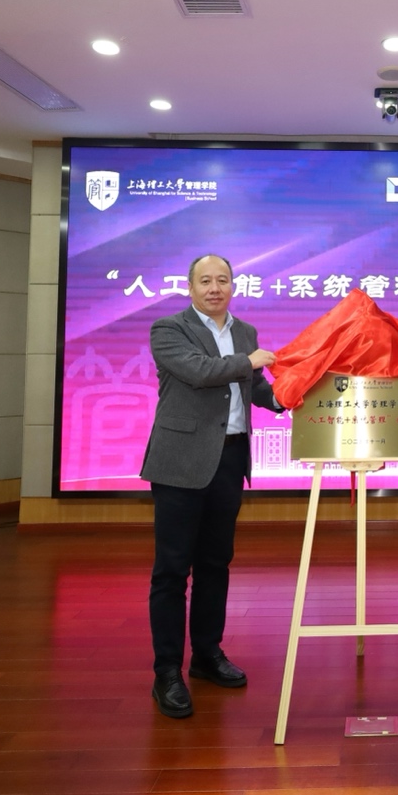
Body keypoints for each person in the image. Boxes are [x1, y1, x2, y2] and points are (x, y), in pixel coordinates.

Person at [140, 253, 280, 719]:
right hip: (180, 462)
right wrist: (248, 363)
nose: (214, 288)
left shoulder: (245, 332)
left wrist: (290, 395)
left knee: (215, 564)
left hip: (230, 458)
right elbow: (200, 371)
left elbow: (253, 386)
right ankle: (166, 672)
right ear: (191, 286)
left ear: (233, 286)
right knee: (171, 570)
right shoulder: (169, 329)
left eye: (222, 280)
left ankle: (206, 655)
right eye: (205, 281)